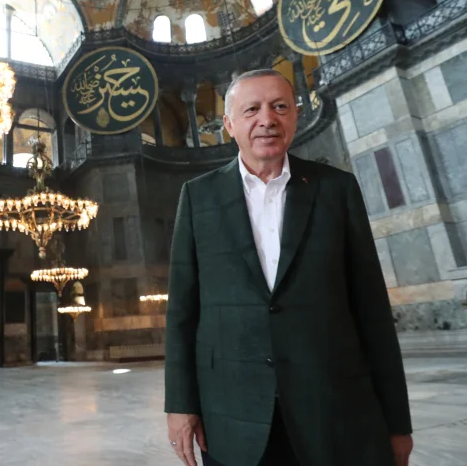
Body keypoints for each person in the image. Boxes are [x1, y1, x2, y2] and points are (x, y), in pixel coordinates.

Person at [164, 69, 413, 466]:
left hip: (334, 412)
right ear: (229, 124)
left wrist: (398, 423)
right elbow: (182, 313)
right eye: (252, 109)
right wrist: (179, 405)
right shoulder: (197, 198)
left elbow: (372, 312)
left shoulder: (336, 189)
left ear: (295, 117)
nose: (267, 119)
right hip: (231, 416)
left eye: (280, 107)